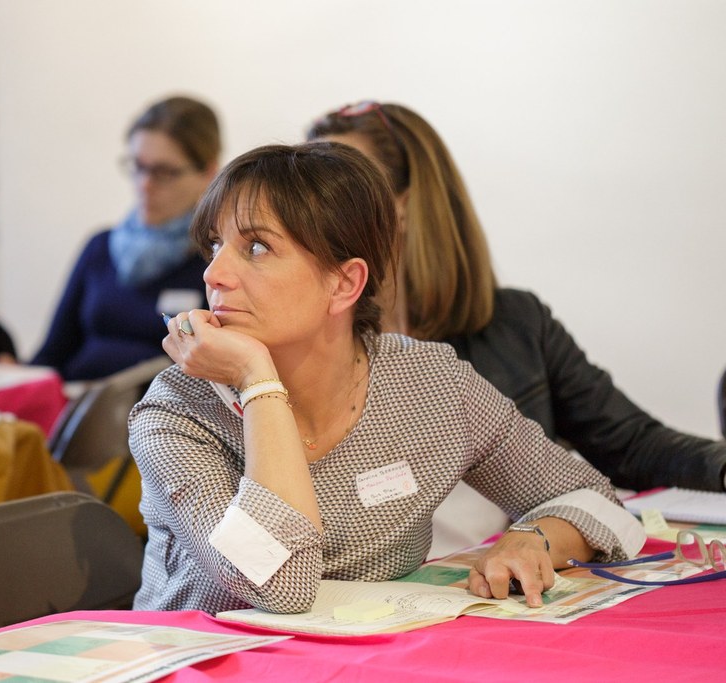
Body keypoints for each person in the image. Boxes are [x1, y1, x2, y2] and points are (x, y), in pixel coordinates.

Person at [128, 142, 644, 615]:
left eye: (257, 247)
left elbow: (591, 496)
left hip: (379, 659)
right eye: (215, 245)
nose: (213, 274)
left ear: (344, 282)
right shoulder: (178, 411)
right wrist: (257, 380)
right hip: (211, 661)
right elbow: (278, 585)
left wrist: (535, 538)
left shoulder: (428, 382)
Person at [308, 101, 726, 555]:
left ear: (404, 205)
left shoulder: (513, 327)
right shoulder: (292, 348)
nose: (311, 212)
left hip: (486, 592)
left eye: (338, 190)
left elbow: (628, 445)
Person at [29, 95, 220, 380]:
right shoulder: (101, 247)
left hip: (157, 416)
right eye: (138, 166)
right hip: (74, 407)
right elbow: (52, 355)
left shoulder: (216, 260)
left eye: (164, 172)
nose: (145, 184)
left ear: (208, 172)